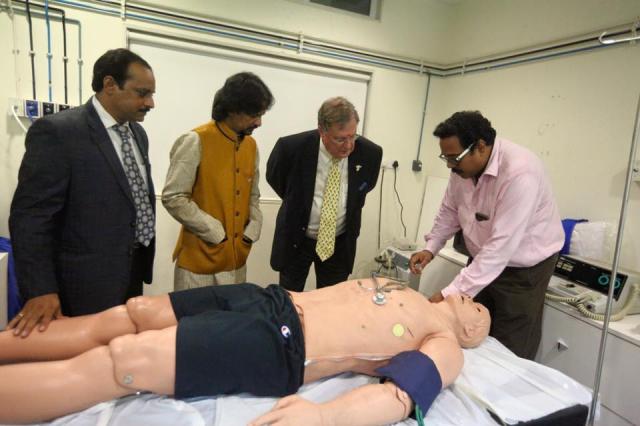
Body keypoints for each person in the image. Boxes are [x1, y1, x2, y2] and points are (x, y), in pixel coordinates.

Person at [0, 277, 489, 425]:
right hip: (270, 298)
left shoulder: (446, 343)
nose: (474, 301)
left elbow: (401, 394)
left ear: (471, 331)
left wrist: (325, 417)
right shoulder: (412, 291)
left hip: (284, 344)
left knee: (126, 359)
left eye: (481, 310)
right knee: (133, 313)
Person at [8, 48, 156, 337]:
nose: (150, 103)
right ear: (110, 84)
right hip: (81, 284)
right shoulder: (58, 132)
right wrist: (40, 289)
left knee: (118, 349)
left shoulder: (138, 134)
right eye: (142, 93)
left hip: (131, 271)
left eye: (151, 94)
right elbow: (31, 217)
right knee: (81, 358)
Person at [409, 111, 564, 360]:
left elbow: (501, 247)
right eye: (445, 158)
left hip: (522, 270)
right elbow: (450, 210)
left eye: (454, 158)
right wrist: (431, 247)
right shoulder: (462, 170)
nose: (449, 165)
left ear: (480, 146)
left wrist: (449, 294)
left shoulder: (520, 173)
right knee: (472, 329)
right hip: (483, 258)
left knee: (510, 344)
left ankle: (505, 383)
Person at [162, 72, 273, 291]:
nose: (259, 122)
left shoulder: (251, 146)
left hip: (237, 262)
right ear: (232, 109)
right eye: (254, 114)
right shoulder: (195, 140)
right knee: (195, 315)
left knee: (233, 313)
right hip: (198, 265)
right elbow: (173, 196)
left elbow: (253, 195)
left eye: (261, 114)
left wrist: (253, 229)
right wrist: (215, 232)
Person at [267, 97, 382, 291]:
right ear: (322, 130)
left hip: (339, 243)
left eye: (353, 136)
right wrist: (299, 203)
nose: (348, 146)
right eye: (340, 139)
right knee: (289, 297)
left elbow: (364, 188)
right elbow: (276, 179)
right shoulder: (291, 148)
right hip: (297, 240)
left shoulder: (370, 153)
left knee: (332, 299)